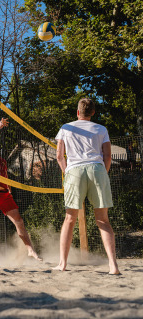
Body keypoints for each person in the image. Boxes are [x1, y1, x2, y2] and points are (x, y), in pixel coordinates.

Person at [54, 98, 119, 274]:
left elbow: (59, 156)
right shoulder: (101, 129)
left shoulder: (66, 127)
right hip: (97, 170)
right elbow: (108, 156)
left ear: (77, 112)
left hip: (74, 171)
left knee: (69, 219)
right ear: (93, 112)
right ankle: (113, 266)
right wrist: (103, 173)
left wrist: (67, 172)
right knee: (103, 220)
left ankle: (63, 264)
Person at [0, 118, 41, 261]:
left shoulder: (2, 161)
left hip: (4, 193)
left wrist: (9, 190)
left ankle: (30, 250)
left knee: (19, 221)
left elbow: (5, 176)